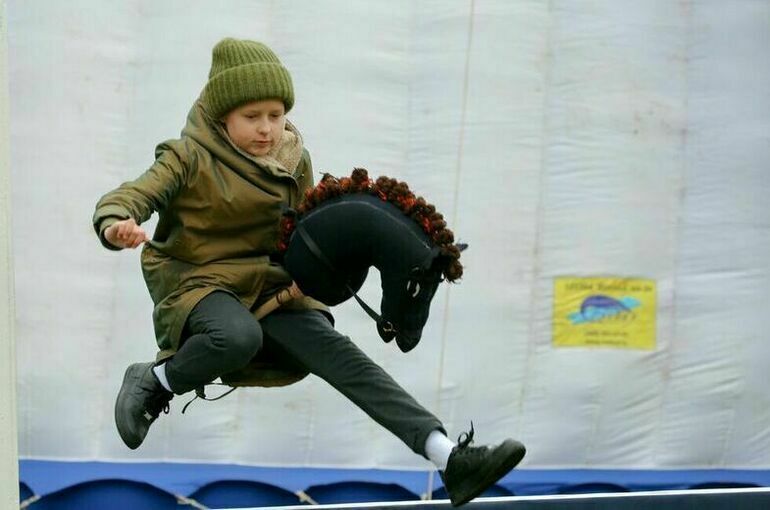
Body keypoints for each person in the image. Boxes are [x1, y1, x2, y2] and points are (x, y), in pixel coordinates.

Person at [92, 37, 526, 507]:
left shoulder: (294, 160)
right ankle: (154, 382)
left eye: (275, 115)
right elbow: (133, 194)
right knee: (237, 337)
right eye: (251, 116)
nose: (266, 128)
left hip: (273, 285)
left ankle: (448, 458)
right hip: (198, 282)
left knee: (347, 360)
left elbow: (301, 232)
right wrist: (116, 223)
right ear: (222, 116)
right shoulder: (186, 156)